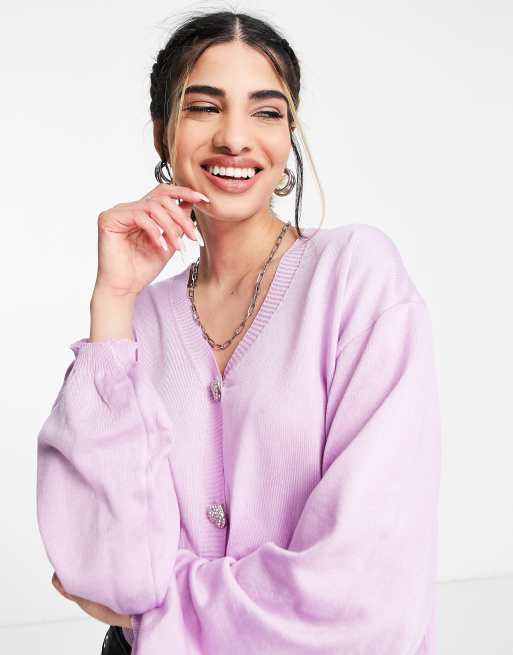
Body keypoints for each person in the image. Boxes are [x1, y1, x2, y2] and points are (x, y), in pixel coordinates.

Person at [36, 10, 442, 655]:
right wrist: (112, 302)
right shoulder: (139, 319)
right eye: (204, 107)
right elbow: (102, 570)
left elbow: (365, 595)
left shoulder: (354, 277)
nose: (234, 138)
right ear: (162, 131)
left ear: (288, 135)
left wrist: (153, 612)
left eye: (266, 111)